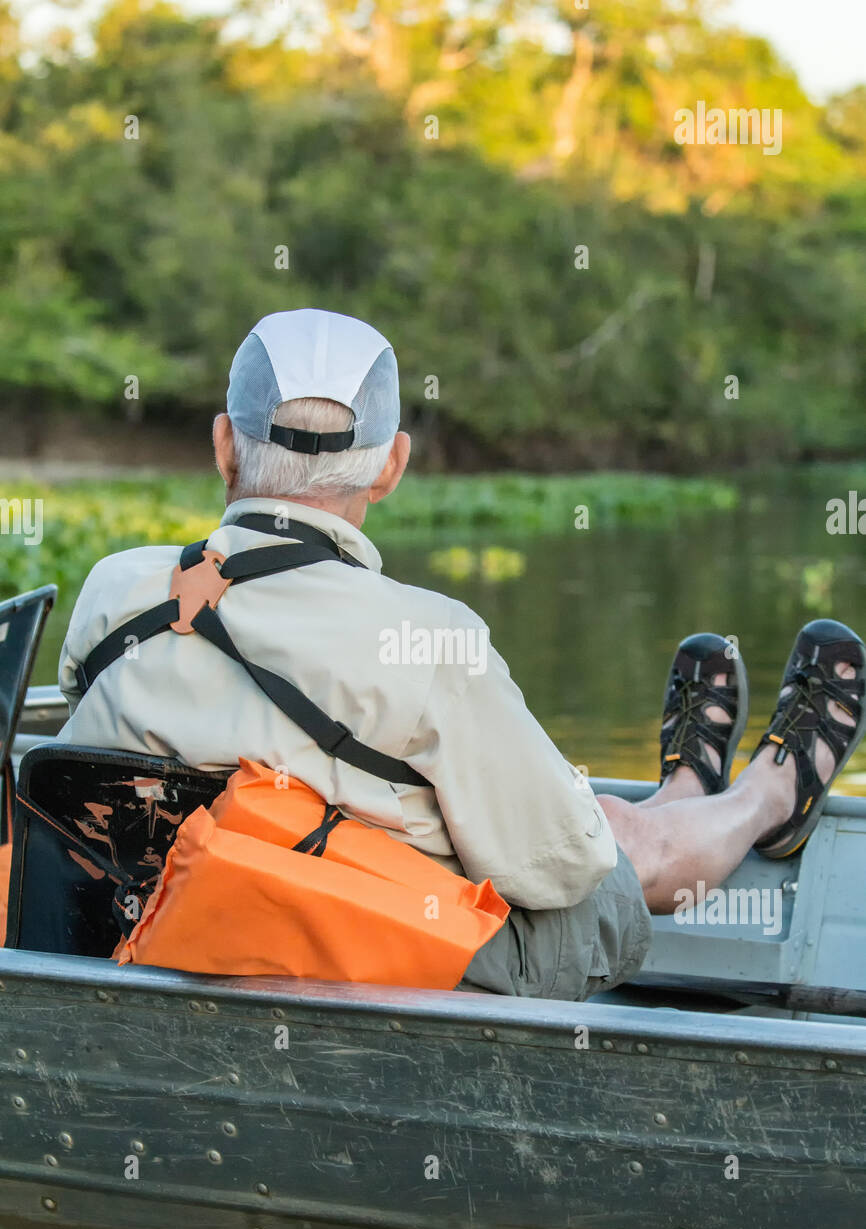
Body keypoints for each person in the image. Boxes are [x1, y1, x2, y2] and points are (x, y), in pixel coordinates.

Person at [56, 309, 866, 999]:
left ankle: (687, 784)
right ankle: (767, 795)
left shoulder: (112, 590)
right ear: (391, 466)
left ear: (225, 445)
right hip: (362, 963)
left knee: (564, 820)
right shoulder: (434, 641)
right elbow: (566, 872)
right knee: (615, 862)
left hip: (143, 932)